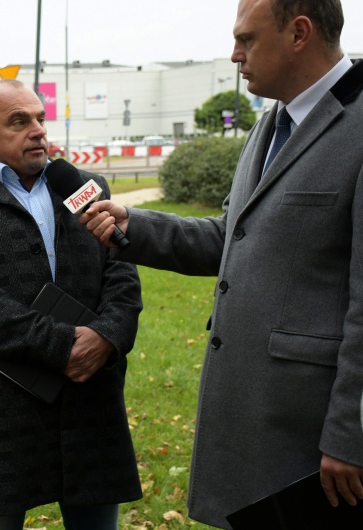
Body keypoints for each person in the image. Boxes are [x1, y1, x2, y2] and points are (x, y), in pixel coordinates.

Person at [80, 0, 363, 527]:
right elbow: (230, 238)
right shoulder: (272, 124)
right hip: (253, 423)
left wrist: (352, 433)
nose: (234, 55)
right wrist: (131, 225)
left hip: (316, 437)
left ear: (300, 33)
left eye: (247, 39)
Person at [0, 79, 143, 529]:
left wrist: (108, 337)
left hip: (89, 396)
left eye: (39, 118)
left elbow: (121, 270)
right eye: (19, 122)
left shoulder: (82, 186)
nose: (38, 130)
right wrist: (63, 346)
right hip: (2, 405)